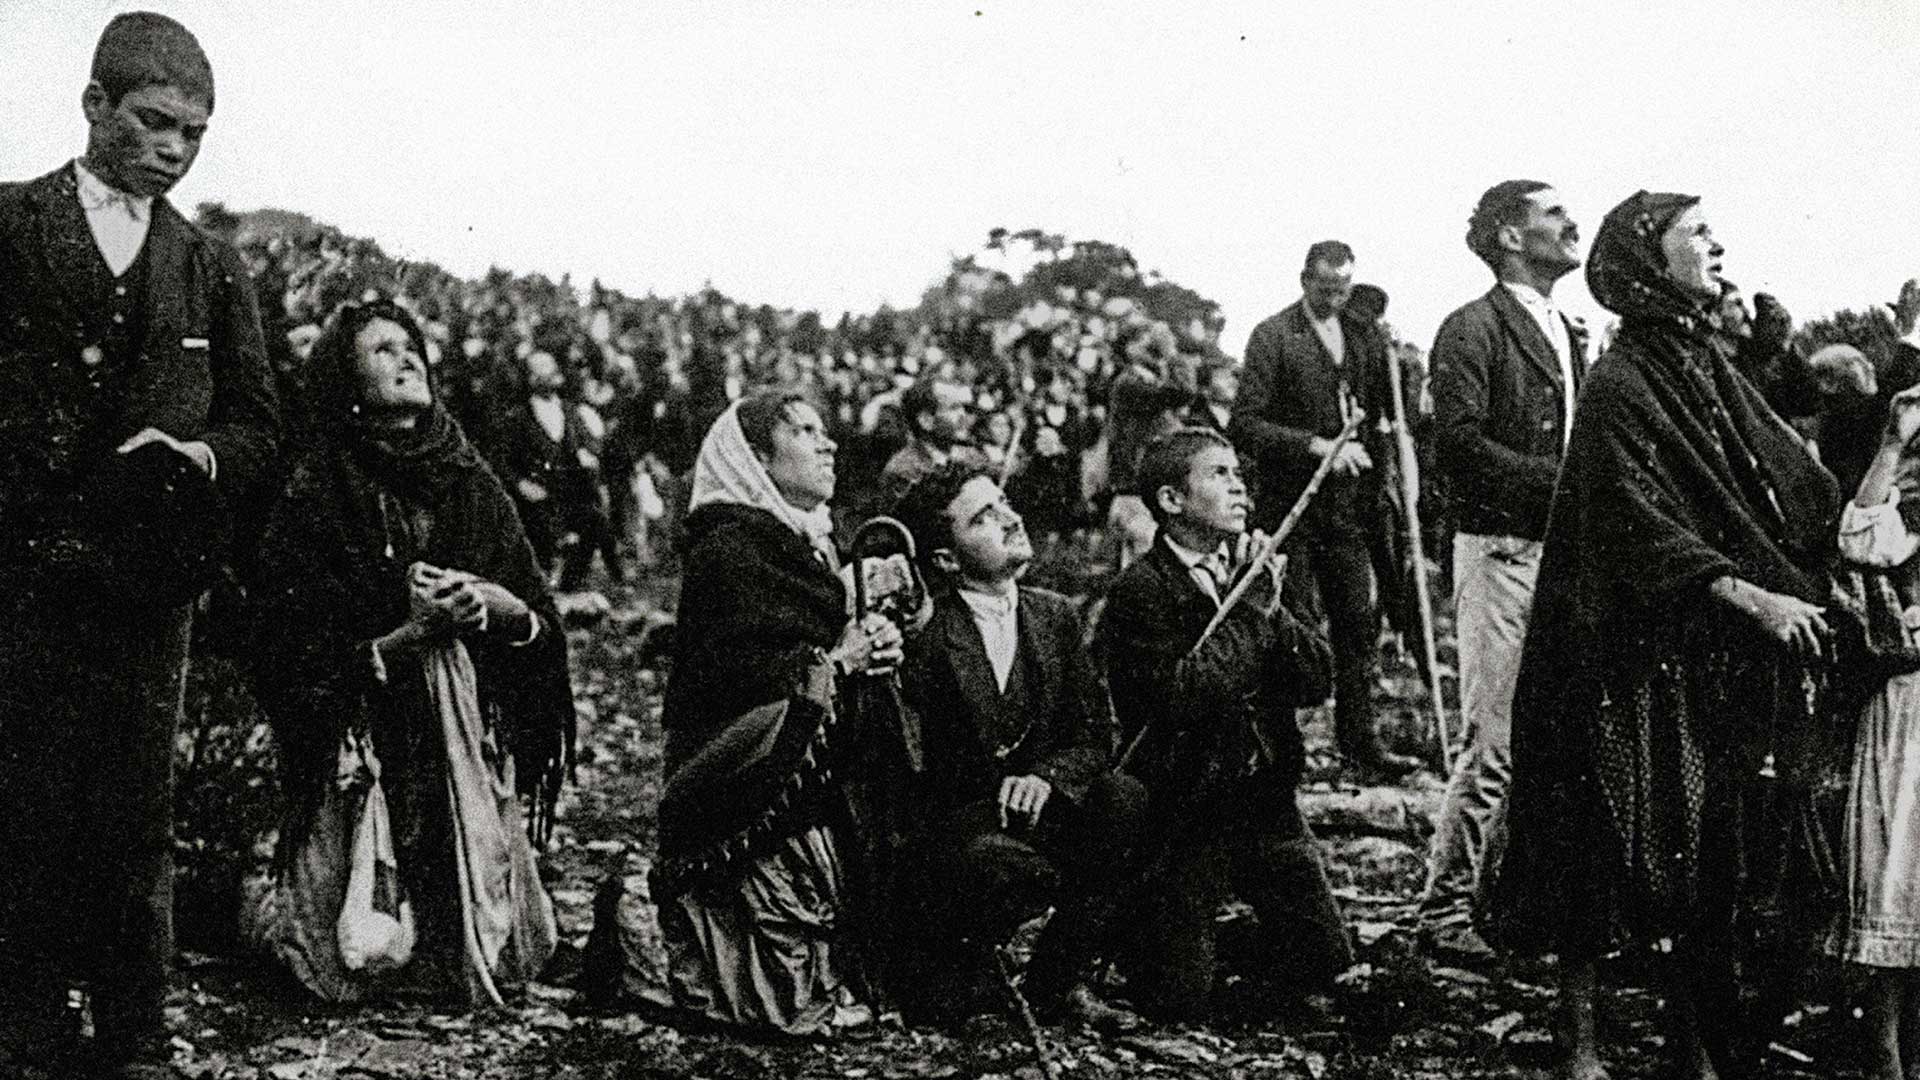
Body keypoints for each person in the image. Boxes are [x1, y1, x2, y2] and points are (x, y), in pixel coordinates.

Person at [1493, 192, 1840, 1080]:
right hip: (1617, 645)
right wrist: (1750, 597)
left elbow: (1776, 478)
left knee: (1713, 845)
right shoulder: (1623, 380)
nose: (1719, 245)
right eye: (1698, 234)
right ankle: (1579, 1046)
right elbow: (1629, 513)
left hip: (1698, 642)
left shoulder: (1703, 365)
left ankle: (1693, 1042)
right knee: (1597, 832)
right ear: (1650, 257)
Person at [0, 14, 280, 1076]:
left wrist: (198, 455)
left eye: (194, 134)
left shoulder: (208, 265)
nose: (173, 150)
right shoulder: (11, 225)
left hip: (145, 582)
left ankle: (135, 1031)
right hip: (20, 569)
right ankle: (21, 1026)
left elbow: (260, 425)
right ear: (93, 108)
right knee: (20, 795)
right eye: (155, 123)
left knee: (132, 811)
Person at [247, 298, 570, 1007]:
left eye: (411, 345)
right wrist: (405, 637)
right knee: (334, 965)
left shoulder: (469, 480)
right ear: (343, 378)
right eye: (382, 350)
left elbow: (537, 620)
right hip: (362, 750)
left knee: (505, 951)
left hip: (463, 742)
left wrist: (495, 605)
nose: (407, 358)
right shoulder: (316, 489)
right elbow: (284, 648)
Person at [653, 389, 903, 1036]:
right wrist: (840, 662)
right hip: (742, 790)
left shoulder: (810, 543)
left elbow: (820, 642)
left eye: (825, 431)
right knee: (771, 983)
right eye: (805, 432)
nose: (829, 445)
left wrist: (874, 642)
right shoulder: (731, 550)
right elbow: (747, 683)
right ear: (758, 458)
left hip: (806, 789)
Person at [1102, 427, 1350, 1022]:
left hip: (1262, 802)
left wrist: (1269, 608)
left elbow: (1318, 679)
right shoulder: (1140, 591)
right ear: (1170, 501)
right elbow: (1186, 697)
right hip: (1185, 810)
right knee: (1178, 997)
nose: (1239, 485)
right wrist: (1252, 608)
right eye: (1218, 474)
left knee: (1331, 967)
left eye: (1238, 472)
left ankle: (1229, 945)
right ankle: (1157, 937)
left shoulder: (1251, 573)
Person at [891, 463, 1145, 1030]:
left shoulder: (1052, 613)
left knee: (1121, 799)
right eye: (983, 517)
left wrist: (1048, 777)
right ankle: (969, 982)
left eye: (1004, 502)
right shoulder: (927, 634)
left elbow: (1095, 733)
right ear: (946, 561)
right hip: (960, 829)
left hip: (1034, 810)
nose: (1009, 518)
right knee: (996, 863)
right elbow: (908, 772)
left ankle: (1061, 980)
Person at [1417, 181, 1587, 966]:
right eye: (1552, 213)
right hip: (1501, 550)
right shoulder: (1471, 328)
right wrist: (1567, 486)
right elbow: (1457, 445)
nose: (1570, 222)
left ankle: (1509, 903)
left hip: (1562, 553)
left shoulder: (1570, 332)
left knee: (1552, 738)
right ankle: (1442, 909)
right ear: (1510, 237)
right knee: (1493, 739)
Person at [1231, 241, 1417, 778]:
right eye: (1324, 290)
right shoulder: (1273, 336)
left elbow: (1386, 411)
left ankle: (1359, 745)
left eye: (1343, 290)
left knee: (1357, 625)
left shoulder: (1363, 337)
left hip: (1348, 513)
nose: (1334, 300)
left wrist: (1397, 367)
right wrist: (1318, 447)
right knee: (1290, 627)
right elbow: (1246, 423)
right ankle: (1280, 750)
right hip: (1290, 508)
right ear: (1303, 281)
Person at [1826, 383, 1920, 1080]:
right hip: (1909, 710)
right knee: (1897, 886)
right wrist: (1893, 440)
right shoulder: (1910, 509)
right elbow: (1859, 538)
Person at [494, 349, 619, 589]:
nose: (551, 371)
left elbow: (591, 444)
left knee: (597, 520)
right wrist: (521, 484)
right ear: (531, 378)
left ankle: (581, 582)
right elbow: (500, 461)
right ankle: (545, 580)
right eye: (542, 367)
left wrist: (588, 453)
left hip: (572, 491)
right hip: (539, 495)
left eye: (551, 365)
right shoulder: (518, 417)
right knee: (541, 532)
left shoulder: (570, 410)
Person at [878, 376, 977, 510]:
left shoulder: (964, 458)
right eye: (953, 408)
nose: (963, 415)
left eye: (963, 408)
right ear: (926, 421)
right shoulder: (904, 470)